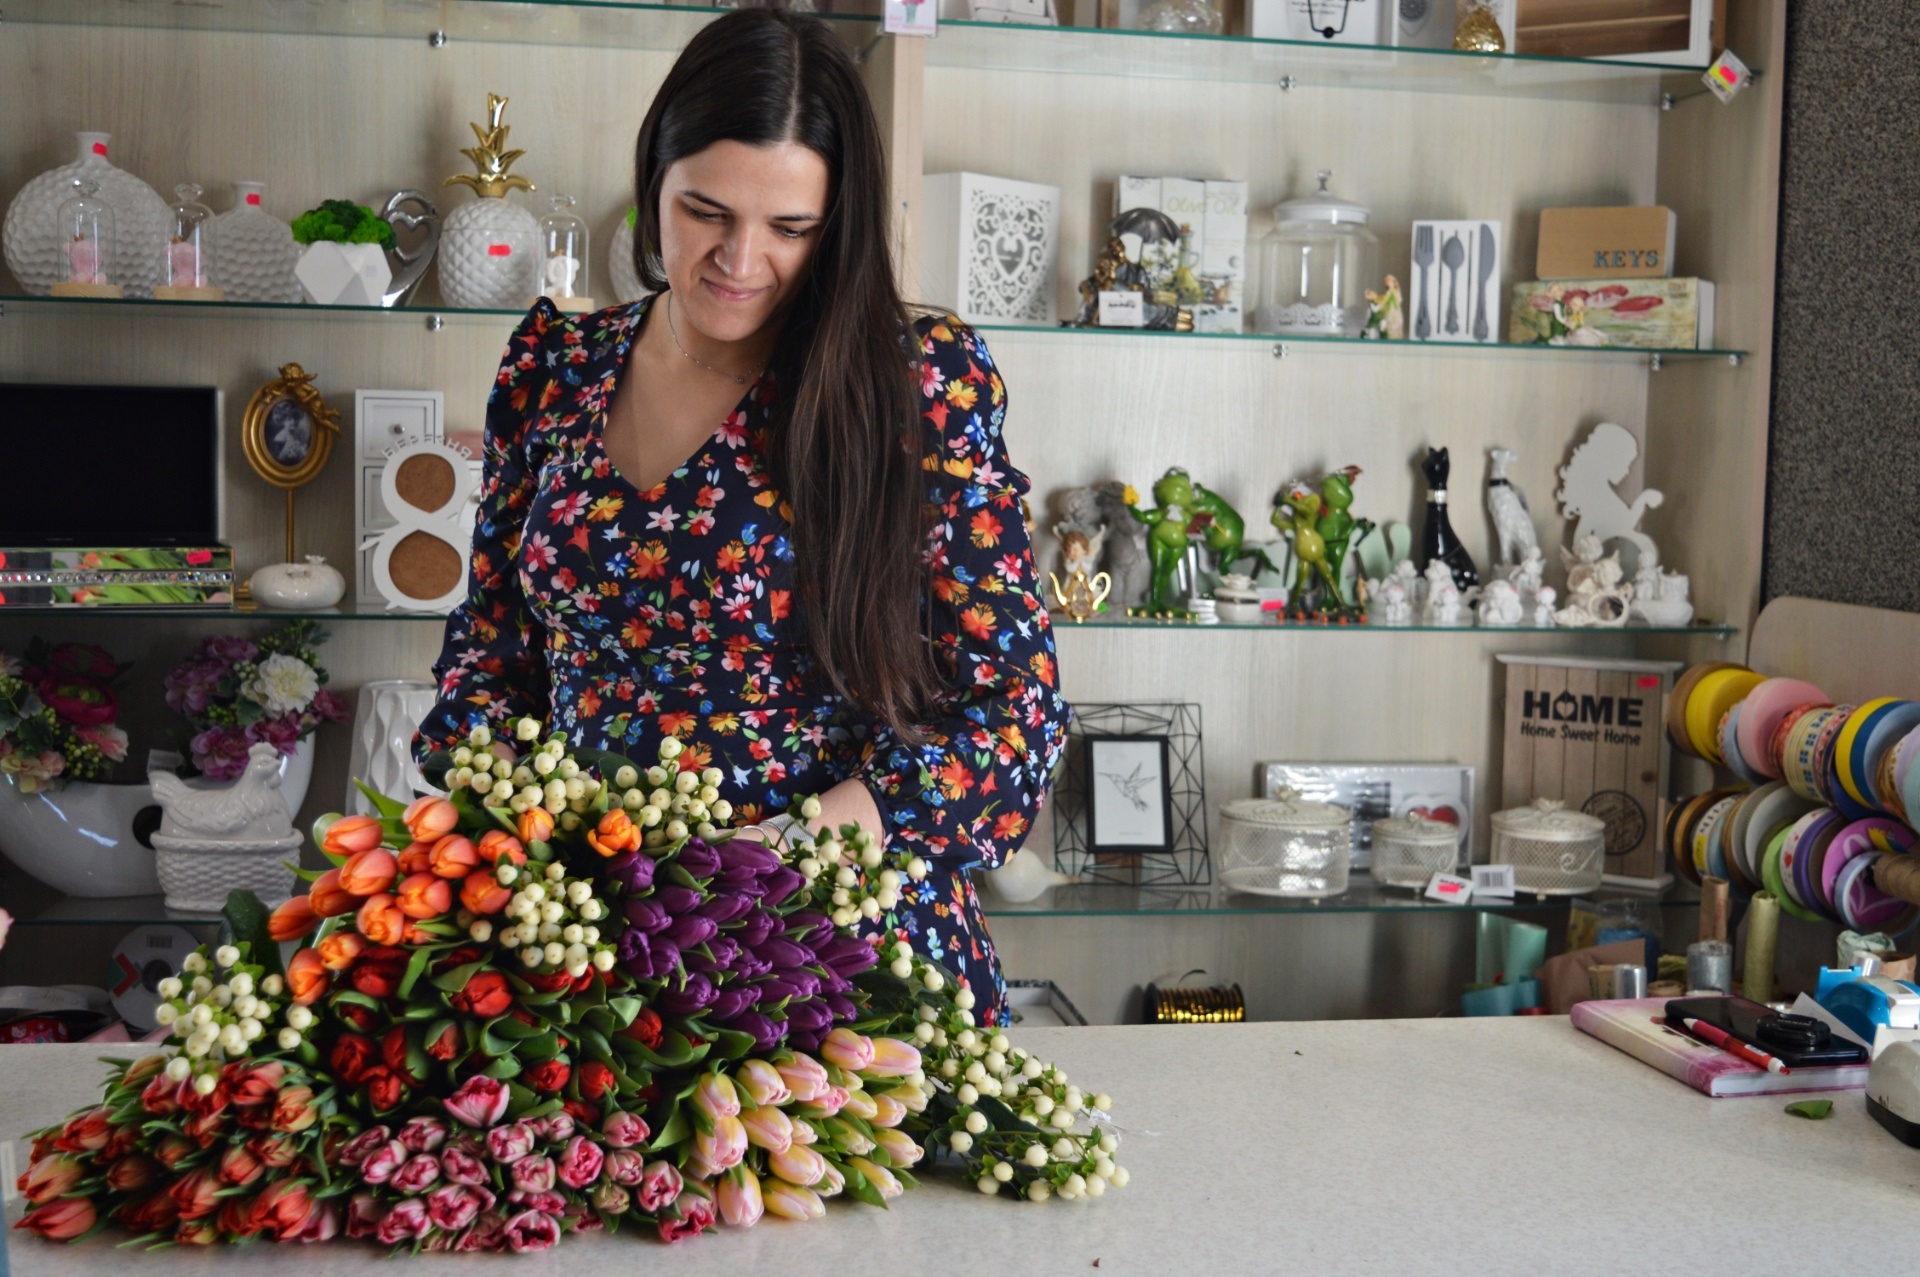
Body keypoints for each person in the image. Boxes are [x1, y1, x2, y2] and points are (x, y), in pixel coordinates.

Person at [414, 9, 1069, 1027]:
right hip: (583, 942)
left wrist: (784, 855)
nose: (740, 258)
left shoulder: (916, 383)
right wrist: (520, 825)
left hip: (834, 942)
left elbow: (1012, 716)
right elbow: (490, 655)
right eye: (704, 211)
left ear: (838, 221)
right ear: (652, 183)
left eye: (790, 228)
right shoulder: (554, 369)